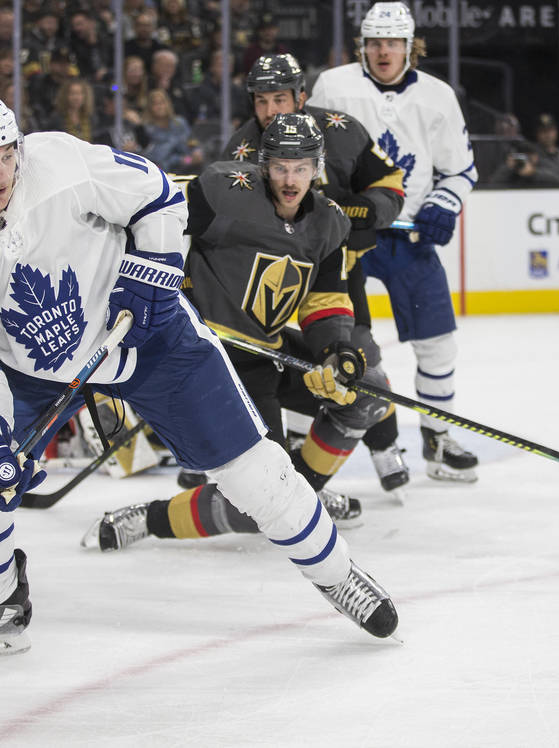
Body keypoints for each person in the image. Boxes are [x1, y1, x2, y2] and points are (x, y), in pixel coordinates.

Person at [0, 86, 399, 659]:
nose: (2, 171)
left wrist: (152, 268)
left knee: (253, 470)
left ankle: (337, 575)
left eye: (7, 153)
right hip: (29, 368)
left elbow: (157, 194)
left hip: (146, 334)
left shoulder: (58, 161)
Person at [86, 112, 401, 553]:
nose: (291, 180)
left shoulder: (329, 222)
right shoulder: (222, 191)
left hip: (266, 351)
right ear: (264, 164)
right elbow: (156, 222)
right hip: (210, 356)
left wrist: (335, 351)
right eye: (280, 168)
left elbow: (324, 301)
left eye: (302, 168)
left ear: (318, 167)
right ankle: (151, 519)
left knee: (366, 393)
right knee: (256, 506)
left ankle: (303, 496)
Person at [221, 52, 410, 496]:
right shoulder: (241, 151)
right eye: (262, 101)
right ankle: (242, 453)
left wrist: (371, 210)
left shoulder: (341, 132)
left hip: (334, 270)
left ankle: (385, 446)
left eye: (280, 99)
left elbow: (392, 183)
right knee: (266, 365)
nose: (270, 112)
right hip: (268, 281)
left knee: (356, 354)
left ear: (301, 96)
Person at [308, 2, 480, 482]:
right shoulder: (334, 86)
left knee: (438, 343)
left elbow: (461, 169)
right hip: (344, 236)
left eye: (394, 43)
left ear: (411, 47)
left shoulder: (438, 96)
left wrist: (444, 203)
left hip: (409, 238)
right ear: (362, 45)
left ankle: (438, 441)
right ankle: (318, 445)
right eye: (375, 43)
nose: (384, 52)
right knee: (337, 344)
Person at [530, 113, 559, 185]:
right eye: (543, 131)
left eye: (550, 130)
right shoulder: (531, 151)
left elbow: (558, 178)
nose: (547, 134)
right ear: (537, 134)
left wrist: (533, 172)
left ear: (556, 132)